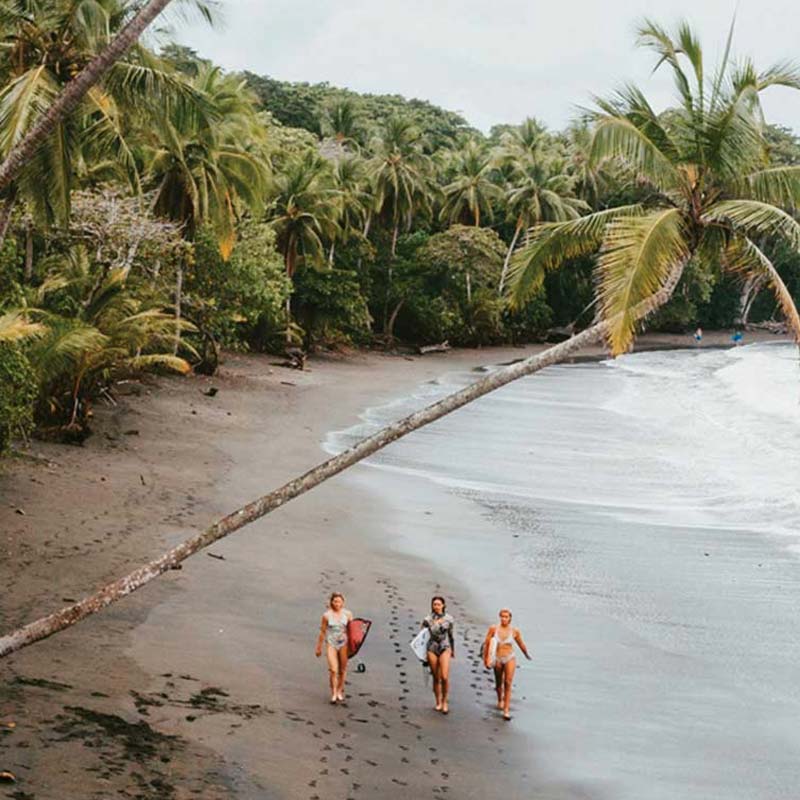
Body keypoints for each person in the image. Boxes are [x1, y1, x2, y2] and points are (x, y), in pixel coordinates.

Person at [483, 609, 531, 720]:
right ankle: (500, 699)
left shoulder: (514, 631)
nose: (504, 619)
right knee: (499, 682)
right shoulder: (493, 629)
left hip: (510, 657)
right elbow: (487, 644)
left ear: (510, 618)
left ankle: (506, 709)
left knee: (508, 682)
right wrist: (486, 659)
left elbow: (520, 643)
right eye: (502, 617)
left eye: (506, 617)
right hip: (497, 658)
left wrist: (526, 654)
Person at [315, 592, 353, 704]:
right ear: (331, 602)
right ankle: (334, 692)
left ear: (343, 603)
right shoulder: (326, 615)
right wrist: (318, 647)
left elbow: (352, 630)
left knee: (342, 670)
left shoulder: (348, 614)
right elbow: (322, 631)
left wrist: (354, 645)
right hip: (331, 643)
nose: (337, 603)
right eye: (335, 601)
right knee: (333, 670)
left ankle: (340, 690)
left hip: (344, 643)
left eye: (339, 601)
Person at [420, 596, 455, 714]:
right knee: (436, 677)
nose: (436, 606)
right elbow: (422, 636)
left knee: (444, 676)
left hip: (445, 646)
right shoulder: (427, 619)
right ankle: (438, 701)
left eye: (439, 604)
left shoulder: (449, 619)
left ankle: (445, 701)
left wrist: (453, 649)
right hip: (431, 647)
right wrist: (422, 653)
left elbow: (451, 635)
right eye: (434, 604)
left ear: (443, 605)